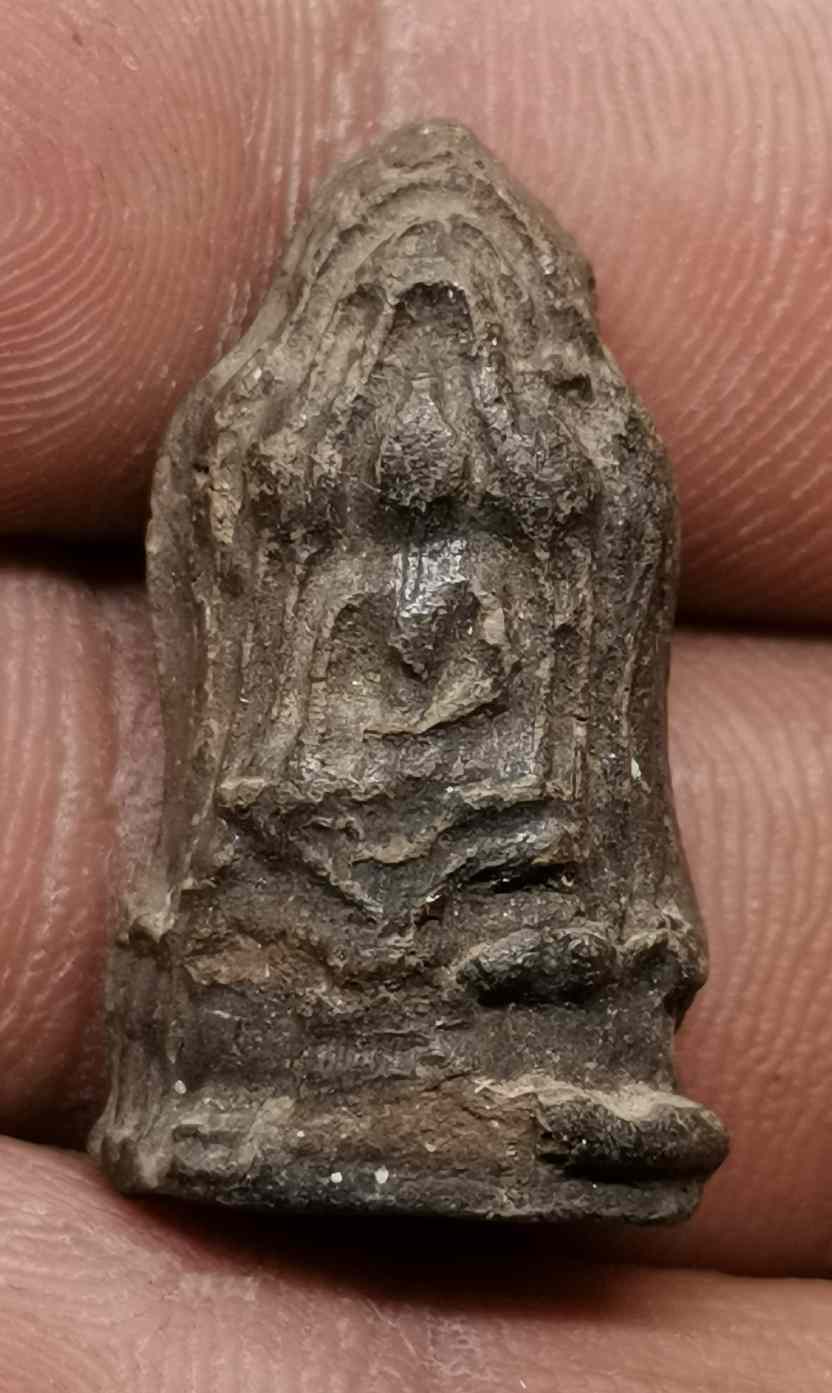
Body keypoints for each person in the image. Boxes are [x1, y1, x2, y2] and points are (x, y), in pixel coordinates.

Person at [1, 1, 830, 1387]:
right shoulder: (252, 464)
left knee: (554, 889)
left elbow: (595, 764)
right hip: (278, 894)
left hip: (529, 887)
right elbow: (253, 731)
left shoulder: (595, 484)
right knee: (267, 874)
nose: (427, 460)